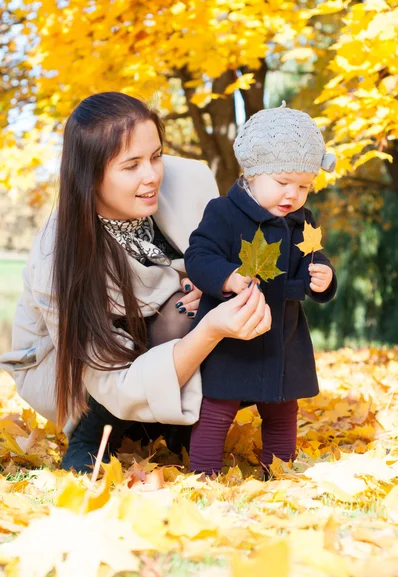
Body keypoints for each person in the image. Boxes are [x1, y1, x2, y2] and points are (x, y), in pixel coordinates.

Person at [0, 92, 272, 473]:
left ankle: (177, 426)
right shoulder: (54, 256)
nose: (152, 176)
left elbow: (225, 254)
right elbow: (113, 381)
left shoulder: (189, 180)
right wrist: (209, 328)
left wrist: (214, 284)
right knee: (183, 316)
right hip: (87, 370)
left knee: (224, 318)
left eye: (156, 156)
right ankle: (93, 431)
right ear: (90, 176)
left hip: (164, 338)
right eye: (131, 166)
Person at [185, 102, 338, 476]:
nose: (293, 194)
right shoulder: (223, 212)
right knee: (217, 404)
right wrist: (226, 277)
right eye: (283, 182)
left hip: (283, 333)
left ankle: (279, 468)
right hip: (232, 331)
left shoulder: (302, 222)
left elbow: (313, 258)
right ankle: (204, 472)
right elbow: (199, 254)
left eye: (304, 186)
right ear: (252, 174)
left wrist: (323, 277)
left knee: (283, 406)